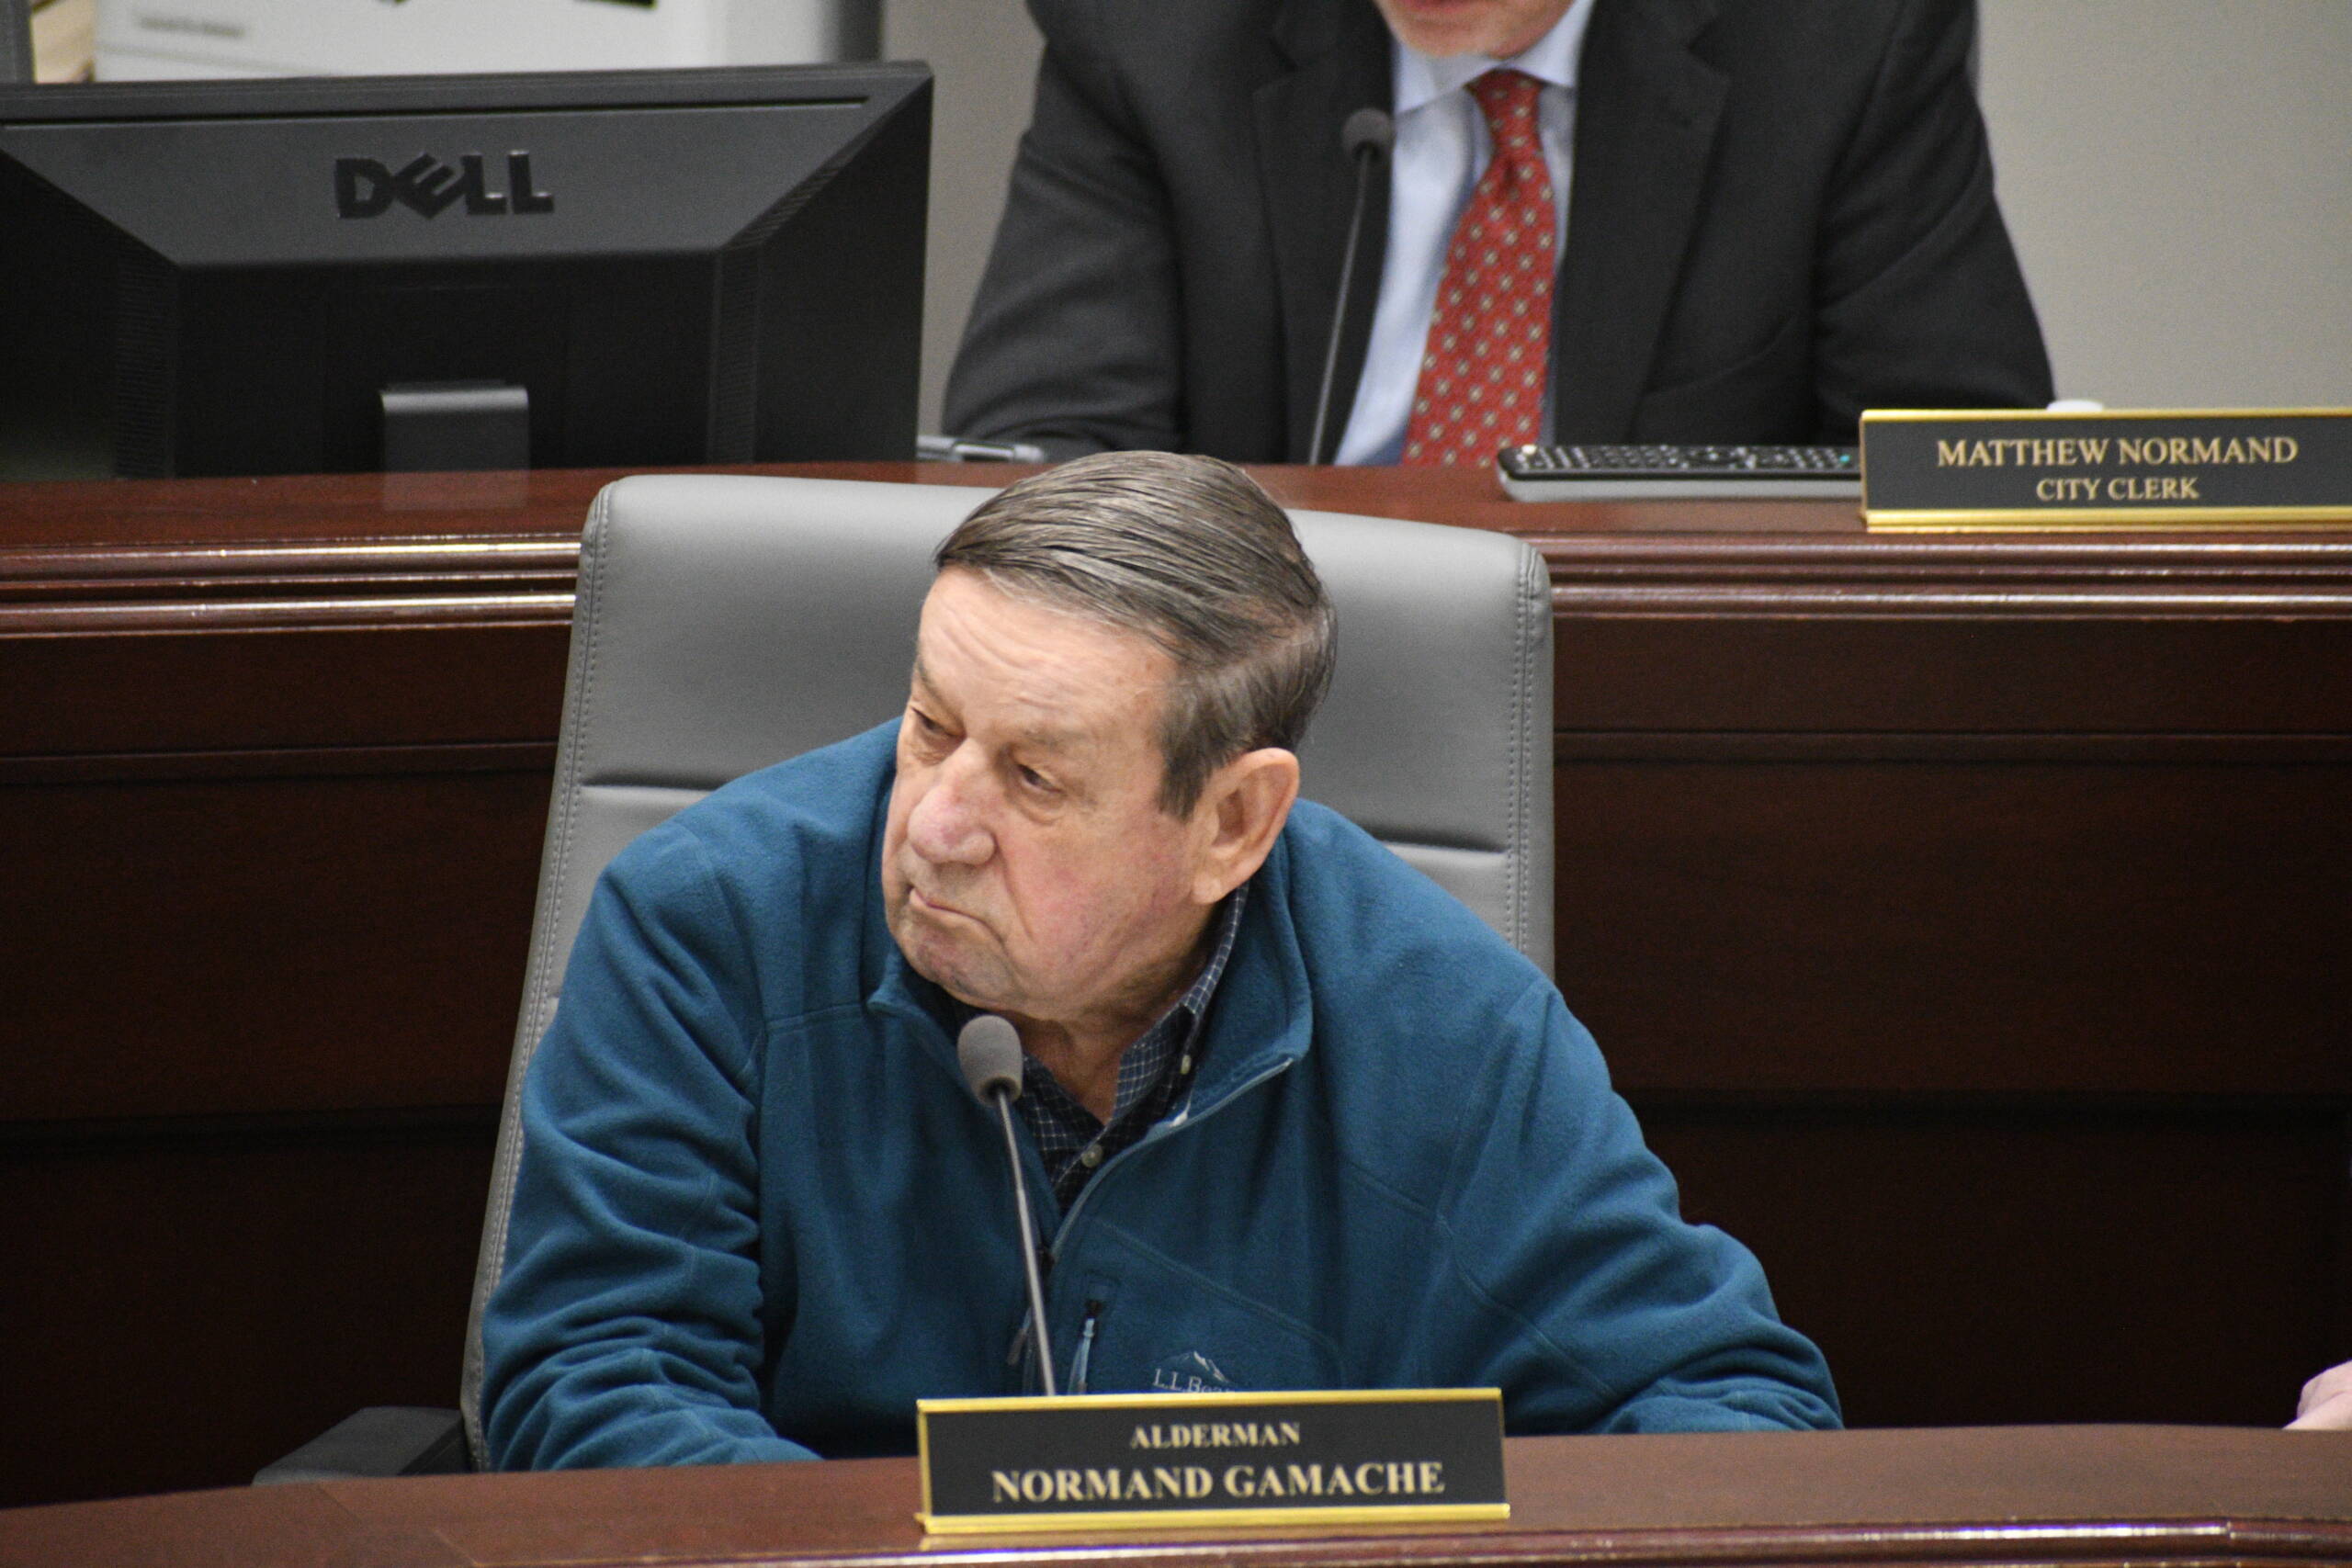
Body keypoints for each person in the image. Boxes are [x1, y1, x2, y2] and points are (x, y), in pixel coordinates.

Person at [478, 451, 1838, 1468]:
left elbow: (1738, 1411)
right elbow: (596, 1378)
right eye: (929, 723)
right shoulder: (705, 924)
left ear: (1232, 822)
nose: (937, 824)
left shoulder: (1447, 1025)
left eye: (1034, 775)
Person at [944, 0, 2053, 464]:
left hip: (1668, 747)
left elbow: (1949, 473)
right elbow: (1043, 460)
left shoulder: (1838, 40)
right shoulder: (1155, 30)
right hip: (1238, 738)